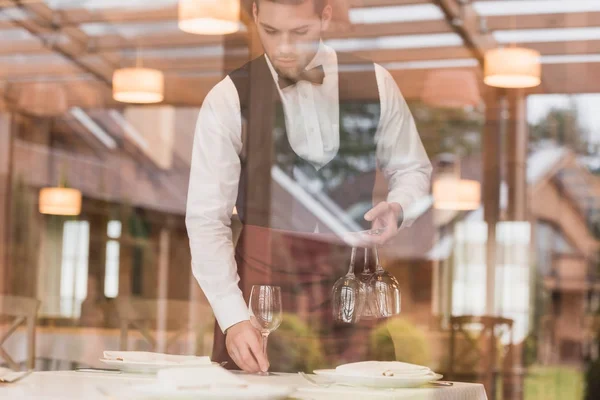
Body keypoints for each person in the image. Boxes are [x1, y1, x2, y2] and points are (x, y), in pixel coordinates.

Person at [186, 0, 432, 373]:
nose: (283, 47)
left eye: (298, 32)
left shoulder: (376, 83)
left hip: (351, 290)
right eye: (270, 31)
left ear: (326, 16)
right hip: (259, 299)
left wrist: (399, 206)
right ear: (254, 16)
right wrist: (233, 318)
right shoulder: (228, 98)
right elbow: (207, 219)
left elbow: (413, 169)